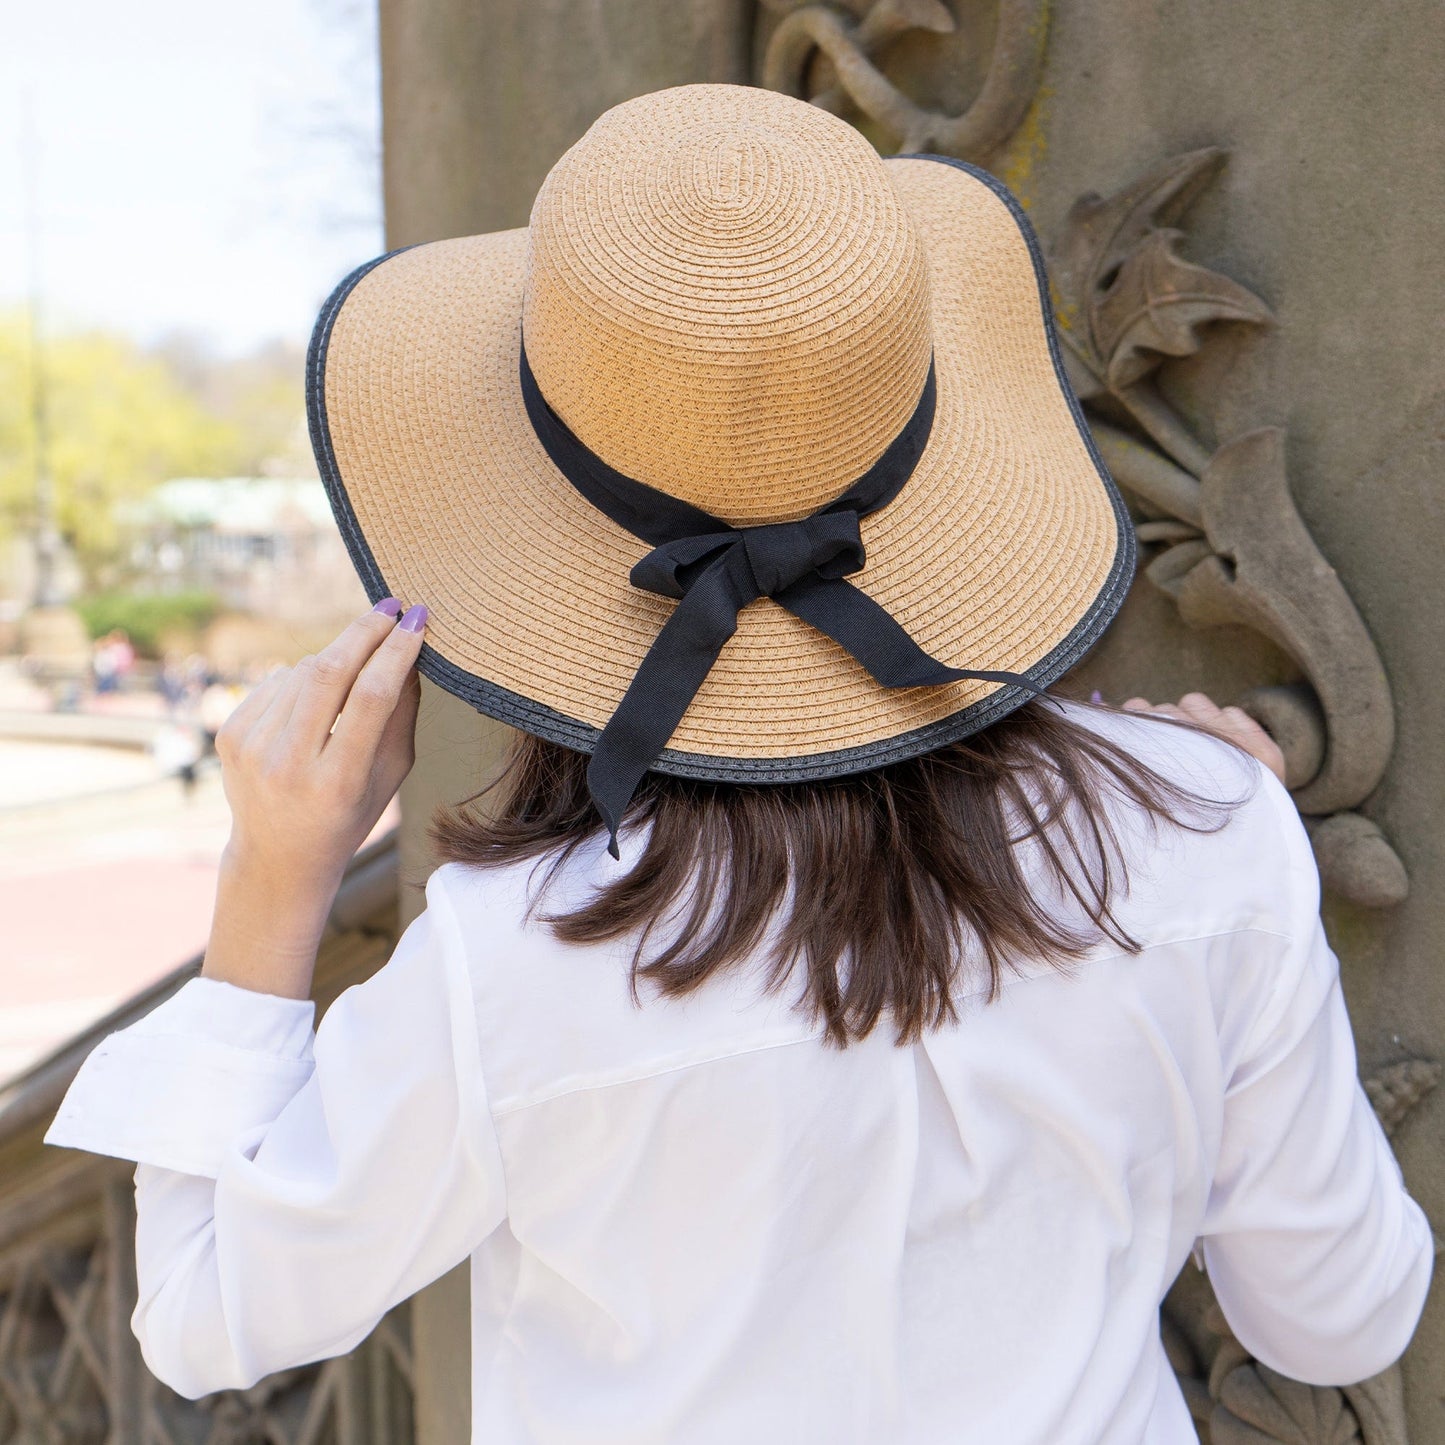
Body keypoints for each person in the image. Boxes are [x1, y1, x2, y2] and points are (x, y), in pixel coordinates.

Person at [41, 85, 1430, 1444]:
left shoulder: (510, 960)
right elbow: (1339, 1321)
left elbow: (207, 1313)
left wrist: (270, 886)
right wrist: (1243, 864)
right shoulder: (1209, 830)